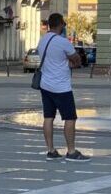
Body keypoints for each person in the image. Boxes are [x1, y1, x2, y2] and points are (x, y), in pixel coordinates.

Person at [37, 13, 89, 162]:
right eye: (64, 24)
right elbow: (77, 59)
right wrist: (71, 62)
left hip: (45, 85)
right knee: (70, 118)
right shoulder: (63, 42)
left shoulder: (42, 41)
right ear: (60, 24)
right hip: (61, 87)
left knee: (48, 117)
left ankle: (51, 150)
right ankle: (71, 151)